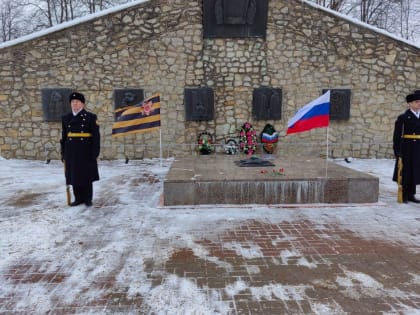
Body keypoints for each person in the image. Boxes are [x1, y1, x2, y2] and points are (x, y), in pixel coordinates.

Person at [60, 92, 100, 207]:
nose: (75, 104)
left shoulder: (91, 117)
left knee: (86, 175)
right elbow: (64, 137)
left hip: (85, 151)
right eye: (72, 102)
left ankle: (87, 199)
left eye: (77, 102)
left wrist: (95, 153)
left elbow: (96, 137)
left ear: (82, 104)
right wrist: (63, 153)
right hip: (71, 151)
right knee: (74, 175)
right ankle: (78, 198)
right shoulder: (66, 118)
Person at [393, 90, 420, 203]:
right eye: (417, 101)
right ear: (410, 103)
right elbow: (397, 134)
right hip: (407, 147)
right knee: (406, 170)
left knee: (415, 170)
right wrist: (397, 149)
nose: (419, 103)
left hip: (418, 147)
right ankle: (404, 194)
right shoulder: (404, 117)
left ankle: (411, 194)